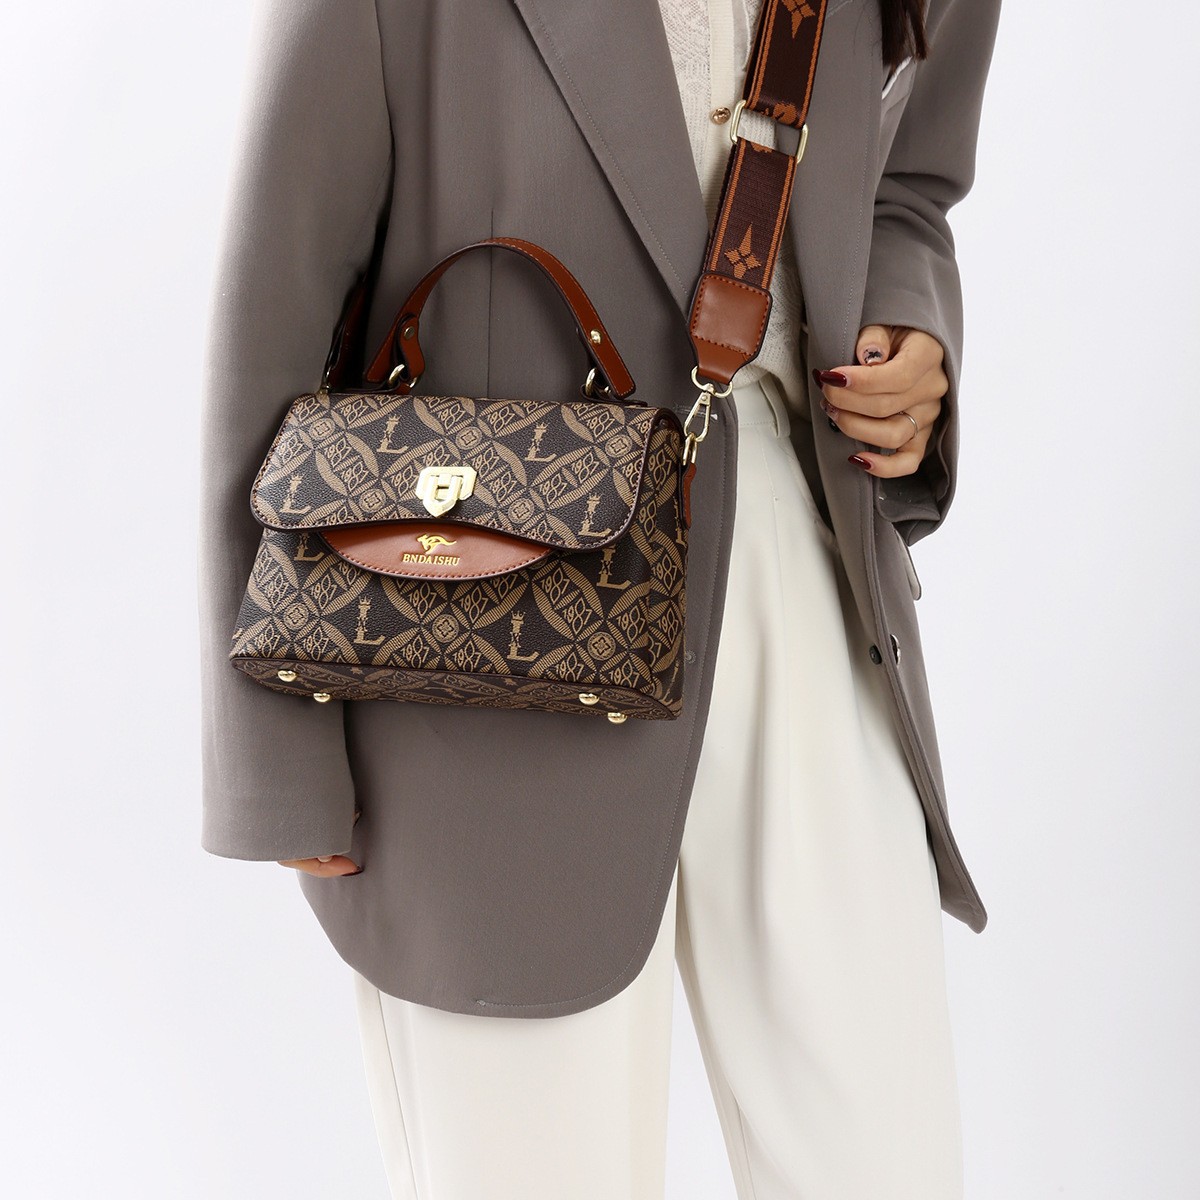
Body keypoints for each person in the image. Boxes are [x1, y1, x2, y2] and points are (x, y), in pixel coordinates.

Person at [199, 0, 1001, 1195]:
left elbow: (908, 182)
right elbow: (274, 304)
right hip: (485, 621)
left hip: (810, 571)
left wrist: (908, 323)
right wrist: (273, 755)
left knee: (888, 1161)